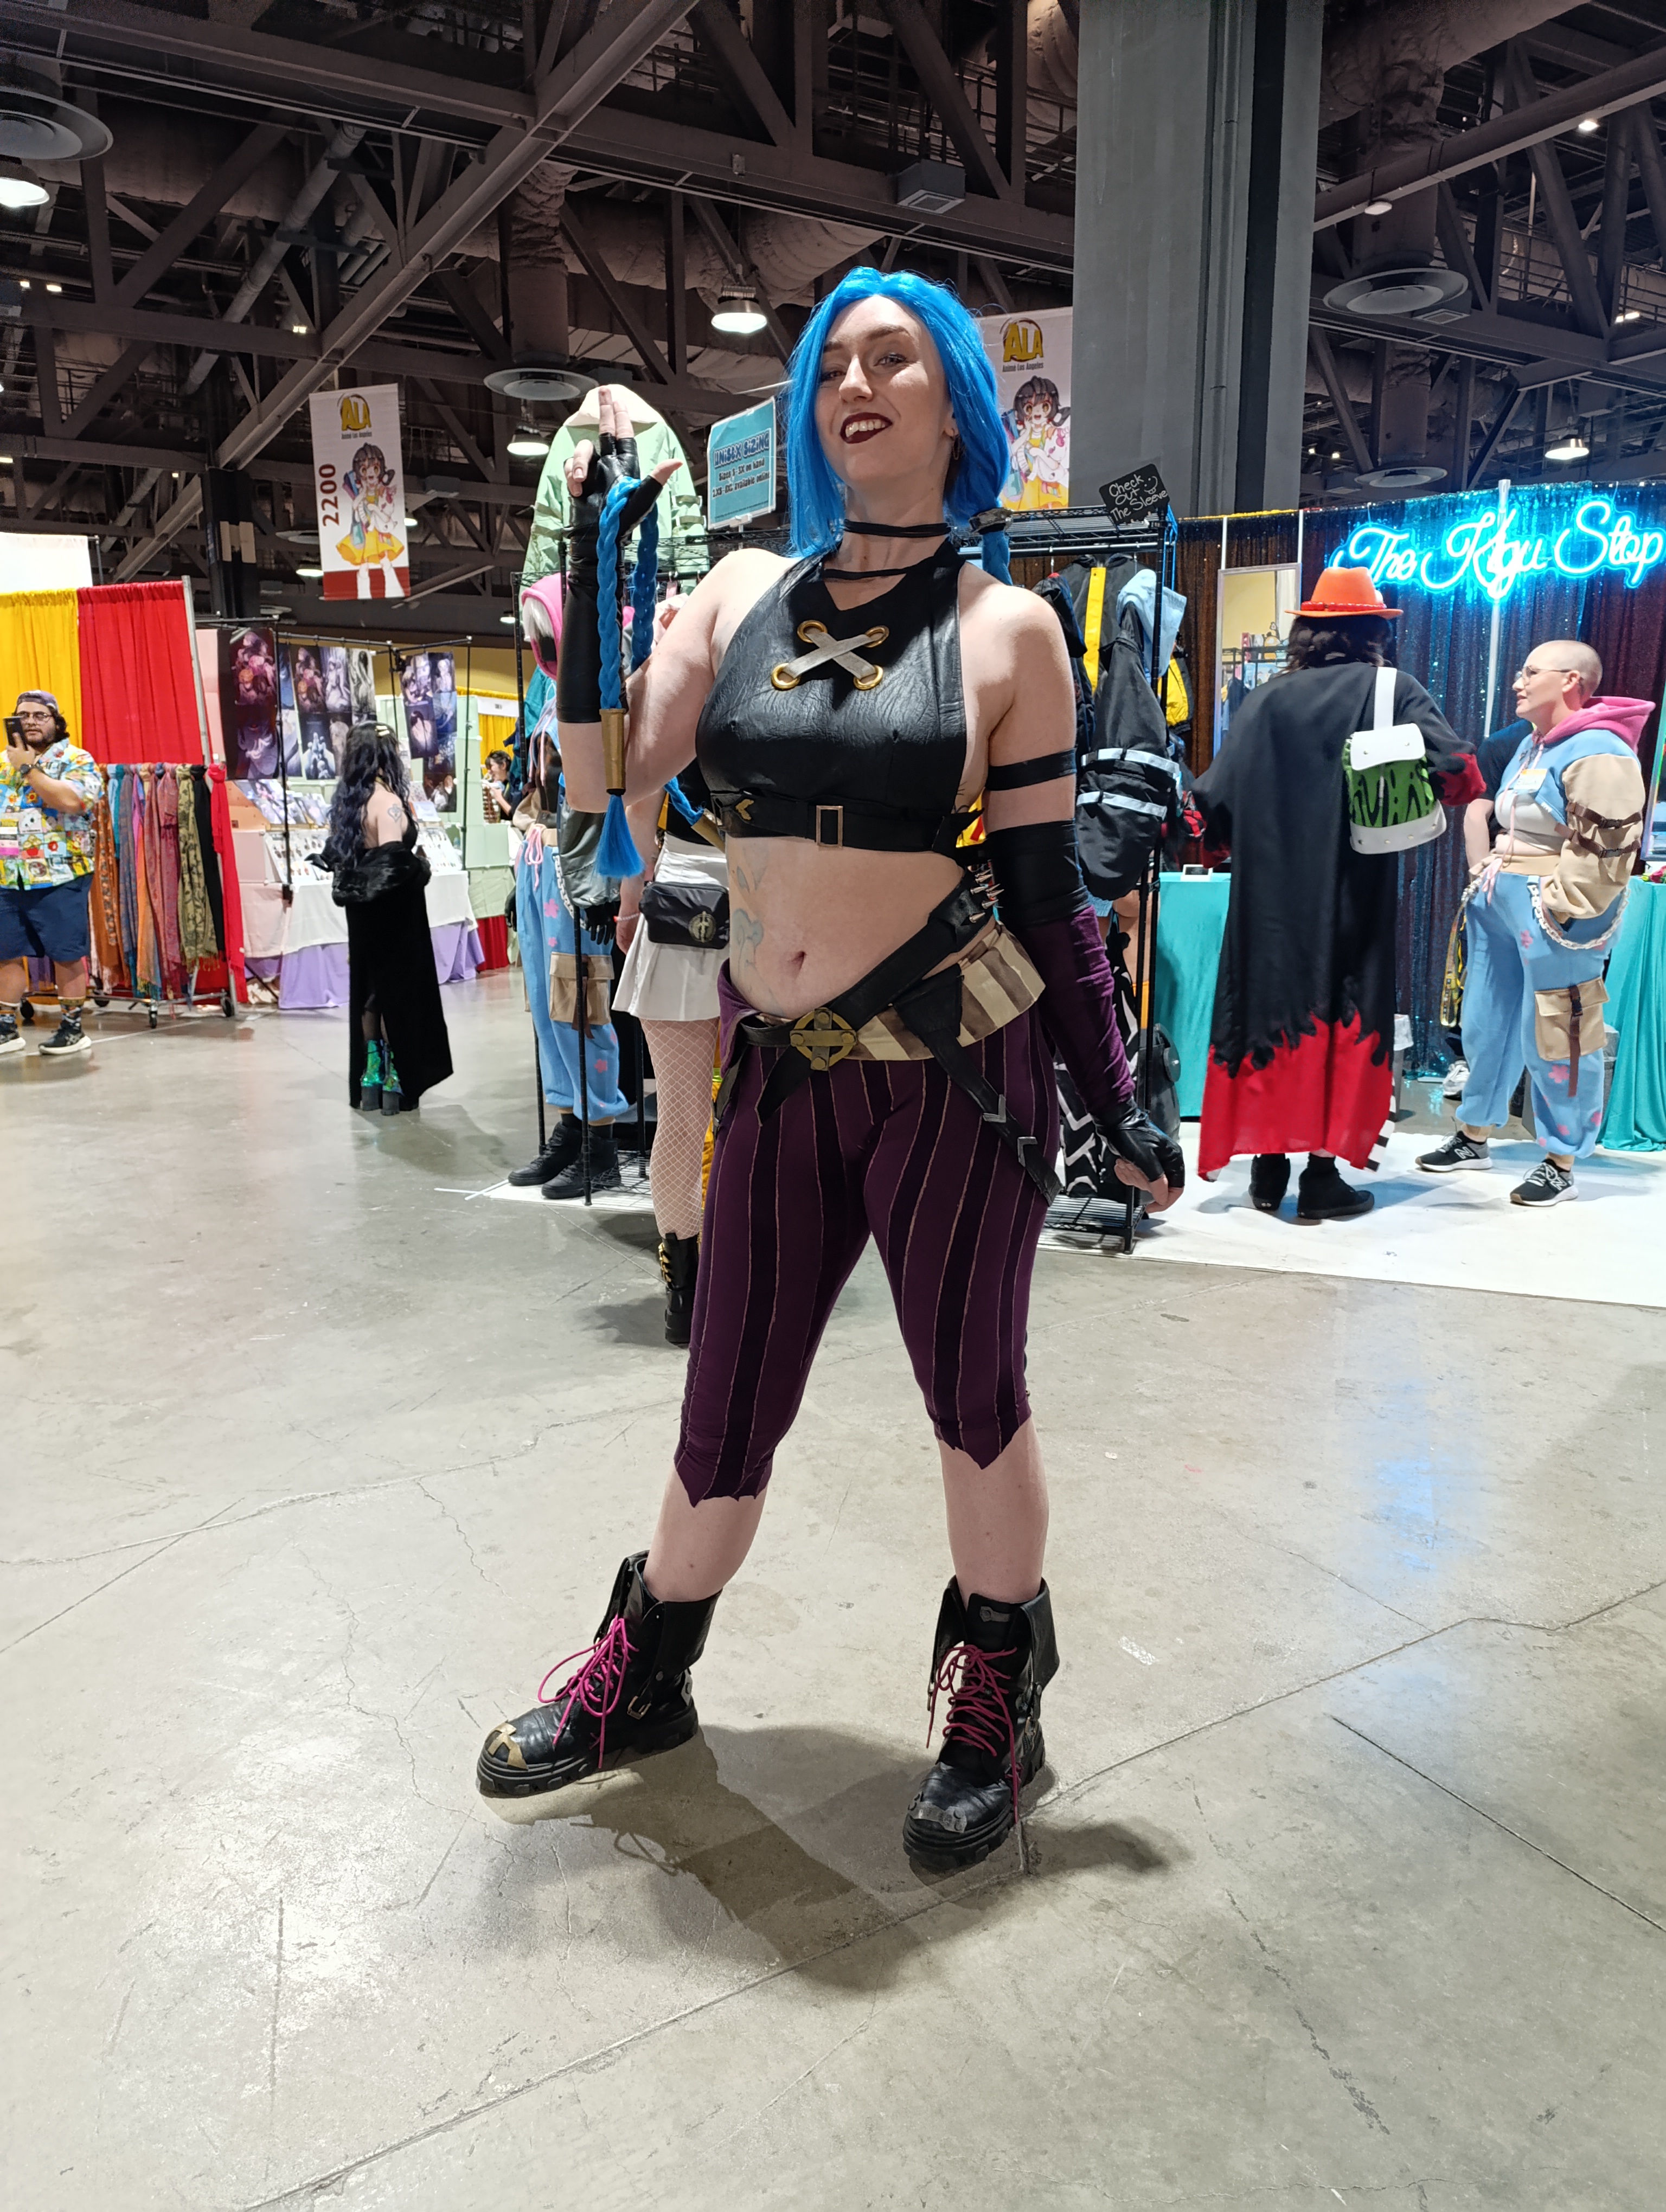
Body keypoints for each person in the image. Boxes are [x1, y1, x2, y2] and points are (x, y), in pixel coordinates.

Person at [475, 272, 1183, 1874]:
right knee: (723, 1395)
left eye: (892, 360)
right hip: (784, 1073)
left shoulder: (1009, 633)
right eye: (831, 363)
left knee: (972, 1400)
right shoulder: (738, 593)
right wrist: (589, 597)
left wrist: (1118, 1096)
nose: (854, 383)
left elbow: (1051, 894)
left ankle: (995, 1695)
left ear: (955, 407)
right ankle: (644, 1676)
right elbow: (608, 779)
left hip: (959, 1075)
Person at [1192, 567, 1479, 1222]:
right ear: (1374, 631)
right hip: (1354, 892)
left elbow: (1214, 803)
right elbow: (1460, 773)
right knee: (1344, 1015)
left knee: (1269, 1014)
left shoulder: (1264, 701)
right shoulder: (1393, 690)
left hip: (1268, 900)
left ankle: (1267, 1171)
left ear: (1307, 633)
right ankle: (1322, 1177)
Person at [1417, 641, 1648, 1206]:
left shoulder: (1600, 749)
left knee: (1560, 1028)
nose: (1518, 682)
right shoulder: (1531, 744)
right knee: (1487, 1020)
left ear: (1571, 680)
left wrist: (1566, 904)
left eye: (1531, 672)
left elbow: (1609, 846)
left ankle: (1561, 1158)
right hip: (1502, 900)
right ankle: (1474, 1133)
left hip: (1554, 909)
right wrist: (1487, 875)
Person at [322, 722, 452, 1115]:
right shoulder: (388, 802)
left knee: (370, 990)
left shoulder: (348, 807)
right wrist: (421, 868)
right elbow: (392, 863)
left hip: (362, 914)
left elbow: (343, 859)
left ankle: (370, 1077)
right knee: (398, 992)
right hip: (395, 912)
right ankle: (397, 1077)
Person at [1, 689, 106, 1062]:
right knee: (6, 953)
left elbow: (73, 801)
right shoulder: (3, 764)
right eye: (23, 715)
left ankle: (72, 1028)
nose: (30, 721)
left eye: (39, 715)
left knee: (66, 954)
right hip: (9, 874)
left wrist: (29, 769)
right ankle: (6, 1028)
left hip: (60, 874)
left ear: (56, 722)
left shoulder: (76, 759)